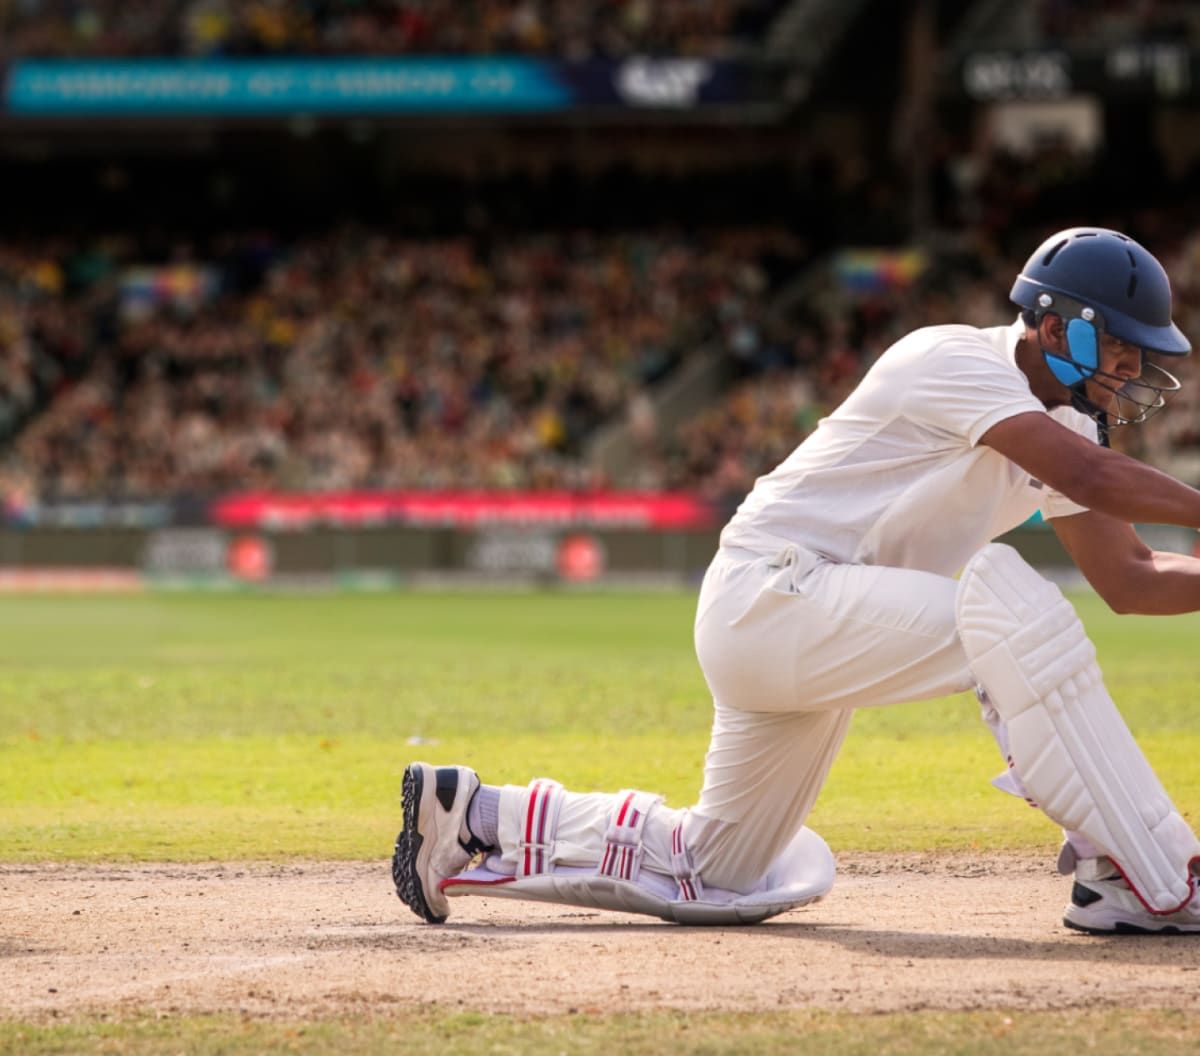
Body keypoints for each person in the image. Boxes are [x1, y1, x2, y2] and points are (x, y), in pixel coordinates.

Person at [392, 226, 1200, 934]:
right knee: (1013, 617)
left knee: (714, 866)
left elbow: (1131, 576)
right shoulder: (954, 357)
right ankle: (1149, 873)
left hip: (812, 628)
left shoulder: (1057, 430)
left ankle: (470, 814)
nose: (1132, 364)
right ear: (1057, 324)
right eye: (1121, 342)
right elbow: (1092, 477)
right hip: (774, 596)